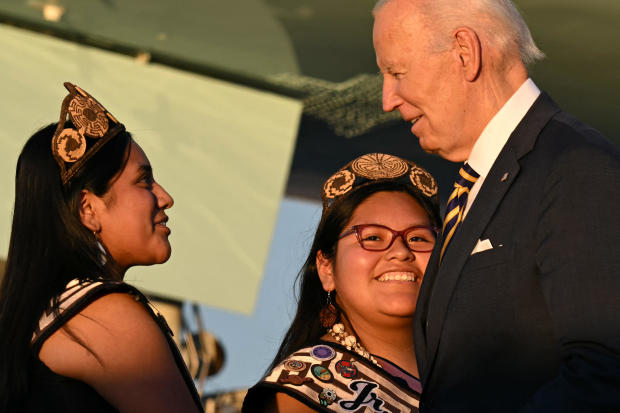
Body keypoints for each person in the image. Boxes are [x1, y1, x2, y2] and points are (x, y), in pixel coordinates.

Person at [373, 0, 620, 411]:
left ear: (464, 53)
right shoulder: (477, 187)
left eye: (397, 73)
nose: (388, 99)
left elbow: (605, 369)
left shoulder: (576, 168)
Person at [0, 82, 203, 412]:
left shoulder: (37, 321)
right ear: (88, 209)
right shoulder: (107, 315)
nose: (165, 198)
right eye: (143, 181)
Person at [243, 153, 442, 412]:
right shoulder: (302, 393)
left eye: (418, 238)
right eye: (372, 238)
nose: (401, 251)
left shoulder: (478, 372)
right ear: (327, 268)